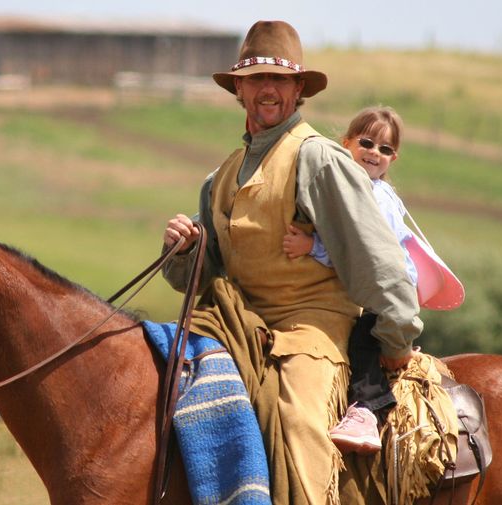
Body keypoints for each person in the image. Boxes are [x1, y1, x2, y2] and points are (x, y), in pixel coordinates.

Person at [162, 20, 423, 504]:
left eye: (278, 79)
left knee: (300, 429)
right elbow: (203, 277)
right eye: (256, 78)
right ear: (238, 88)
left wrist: (396, 336)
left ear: (298, 88)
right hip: (235, 325)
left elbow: (378, 260)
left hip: (312, 331)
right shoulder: (218, 178)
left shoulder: (319, 159)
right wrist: (184, 251)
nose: (267, 89)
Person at [282, 106, 417, 455]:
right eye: (368, 143)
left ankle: (366, 412)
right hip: (372, 285)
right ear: (347, 143)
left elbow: (360, 251)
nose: (375, 153)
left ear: (393, 158)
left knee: (363, 342)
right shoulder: (354, 188)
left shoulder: (375, 196)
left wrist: (312, 246)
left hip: (383, 292)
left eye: (385, 149)